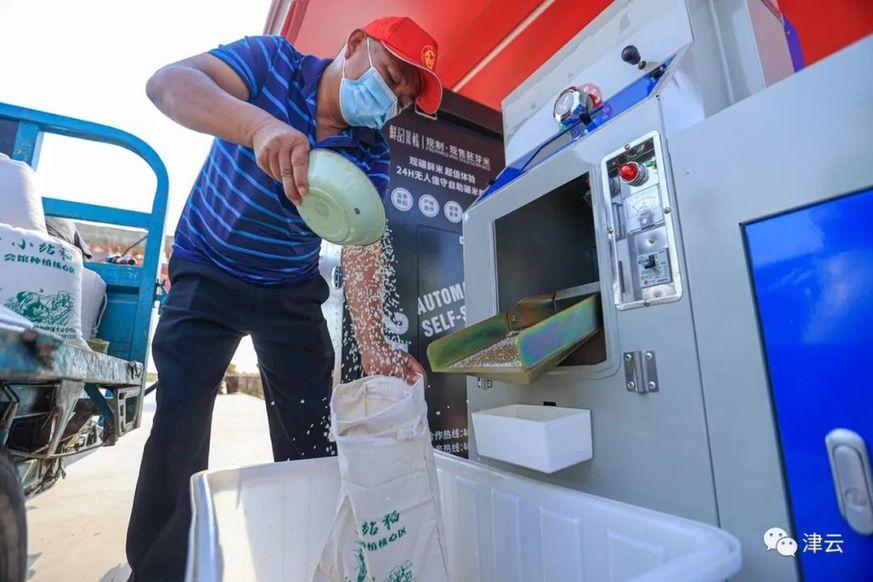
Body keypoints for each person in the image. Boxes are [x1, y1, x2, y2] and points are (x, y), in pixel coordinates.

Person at [126, 16, 442, 581]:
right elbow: (167, 84)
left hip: (290, 289)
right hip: (209, 265)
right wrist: (259, 127)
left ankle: (310, 560)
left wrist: (374, 345)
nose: (391, 102)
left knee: (312, 430)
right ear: (355, 44)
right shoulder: (272, 64)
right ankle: (159, 571)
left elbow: (361, 247)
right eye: (392, 78)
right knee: (180, 419)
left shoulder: (371, 152)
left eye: (403, 100)